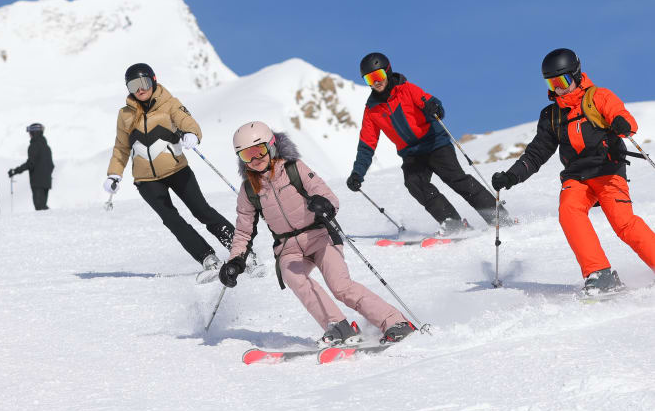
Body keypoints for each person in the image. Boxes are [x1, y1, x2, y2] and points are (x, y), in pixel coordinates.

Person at [221, 120, 416, 345]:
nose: (255, 159)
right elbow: (244, 231)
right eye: (247, 155)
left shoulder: (294, 169)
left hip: (321, 236)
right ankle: (338, 327)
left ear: (272, 146)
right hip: (288, 248)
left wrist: (325, 205)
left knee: (341, 287)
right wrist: (236, 260)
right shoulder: (249, 190)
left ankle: (395, 322)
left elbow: (328, 196)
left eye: (259, 150)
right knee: (293, 276)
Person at [492, 48, 655, 296]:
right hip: (577, 177)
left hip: (608, 169)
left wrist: (623, 125)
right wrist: (512, 175)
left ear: (576, 75)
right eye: (552, 82)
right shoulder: (552, 116)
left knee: (624, 223)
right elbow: (536, 153)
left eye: (563, 81)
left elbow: (623, 118)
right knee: (569, 211)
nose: (559, 88)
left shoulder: (598, 97)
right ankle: (599, 273)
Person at [346, 52, 512, 234]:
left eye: (378, 76)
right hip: (411, 154)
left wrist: (435, 107)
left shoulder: (407, 89)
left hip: (435, 143)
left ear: (387, 71)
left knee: (456, 179)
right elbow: (366, 145)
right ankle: (453, 223)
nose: (376, 82)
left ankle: (498, 217)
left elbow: (429, 100)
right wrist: (357, 173)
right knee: (414, 183)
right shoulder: (372, 110)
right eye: (370, 79)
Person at [105, 63, 242, 275]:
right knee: (171, 220)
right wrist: (114, 174)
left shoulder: (169, 103)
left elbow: (186, 120)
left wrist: (192, 134)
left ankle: (241, 252)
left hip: (177, 171)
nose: (140, 89)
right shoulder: (125, 115)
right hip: (146, 180)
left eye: (144, 82)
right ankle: (207, 258)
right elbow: (121, 147)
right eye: (133, 85)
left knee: (201, 211)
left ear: (153, 80)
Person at [8, 124, 54, 210]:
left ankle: (55, 221)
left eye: (30, 132)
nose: (29, 135)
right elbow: (51, 165)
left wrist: (15, 171)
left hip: (37, 182)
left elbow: (30, 163)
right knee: (42, 207)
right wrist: (46, 174)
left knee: (40, 208)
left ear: (34, 132)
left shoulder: (33, 146)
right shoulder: (47, 147)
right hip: (47, 182)